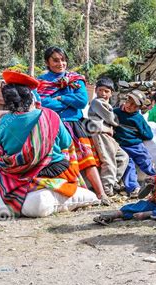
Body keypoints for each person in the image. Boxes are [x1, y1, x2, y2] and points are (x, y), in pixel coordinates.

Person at [0, 70, 90, 217]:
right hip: (51, 170)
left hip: (15, 173)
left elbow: (2, 148)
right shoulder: (50, 117)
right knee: (65, 163)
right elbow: (66, 143)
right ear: (31, 96)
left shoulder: (3, 122)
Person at [37, 46, 109, 204]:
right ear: (47, 62)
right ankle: (68, 195)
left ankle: (101, 194)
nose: (60, 63)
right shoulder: (42, 82)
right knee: (61, 161)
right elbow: (41, 103)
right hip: (52, 125)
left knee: (87, 159)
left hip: (74, 125)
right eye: (55, 60)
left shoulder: (75, 79)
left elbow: (82, 101)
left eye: (63, 60)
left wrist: (61, 99)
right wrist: (69, 102)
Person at [87, 77, 129, 198]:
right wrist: (116, 119)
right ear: (96, 91)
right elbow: (112, 119)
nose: (103, 94)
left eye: (106, 91)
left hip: (109, 136)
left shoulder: (106, 104)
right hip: (100, 134)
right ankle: (107, 191)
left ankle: (114, 182)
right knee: (108, 161)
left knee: (123, 157)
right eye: (100, 90)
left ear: (111, 93)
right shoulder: (97, 102)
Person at [113, 90, 156, 197]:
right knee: (128, 165)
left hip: (136, 145)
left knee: (145, 161)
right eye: (129, 101)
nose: (129, 105)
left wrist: (139, 135)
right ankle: (134, 189)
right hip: (121, 146)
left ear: (138, 108)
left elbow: (149, 135)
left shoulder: (138, 118)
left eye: (134, 105)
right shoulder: (116, 112)